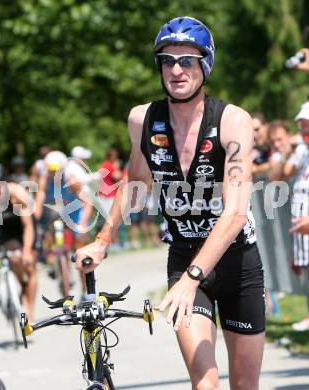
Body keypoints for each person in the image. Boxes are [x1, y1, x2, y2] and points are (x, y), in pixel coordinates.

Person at [75, 16, 265, 390]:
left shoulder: (232, 121)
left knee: (244, 386)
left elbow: (236, 212)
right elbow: (135, 184)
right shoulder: (143, 120)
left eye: (187, 60)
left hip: (238, 263)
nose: (176, 69)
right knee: (205, 385)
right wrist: (102, 240)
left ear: (205, 65)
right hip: (183, 256)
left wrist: (192, 279)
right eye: (167, 60)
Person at [0, 162, 37, 321]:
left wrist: (27, 251)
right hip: (8, 231)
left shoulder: (17, 194)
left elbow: (28, 227)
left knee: (29, 266)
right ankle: (20, 287)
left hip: (25, 228)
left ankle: (28, 308)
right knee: (15, 259)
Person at [283, 102, 309, 331]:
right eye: (301, 126)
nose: (303, 131)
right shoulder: (304, 151)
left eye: (307, 125)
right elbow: (285, 172)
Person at [251, 112, 271, 179]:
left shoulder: (277, 145)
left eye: (257, 129)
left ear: (266, 126)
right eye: (251, 132)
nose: (254, 135)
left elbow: (278, 163)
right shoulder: (252, 151)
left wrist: (256, 169)